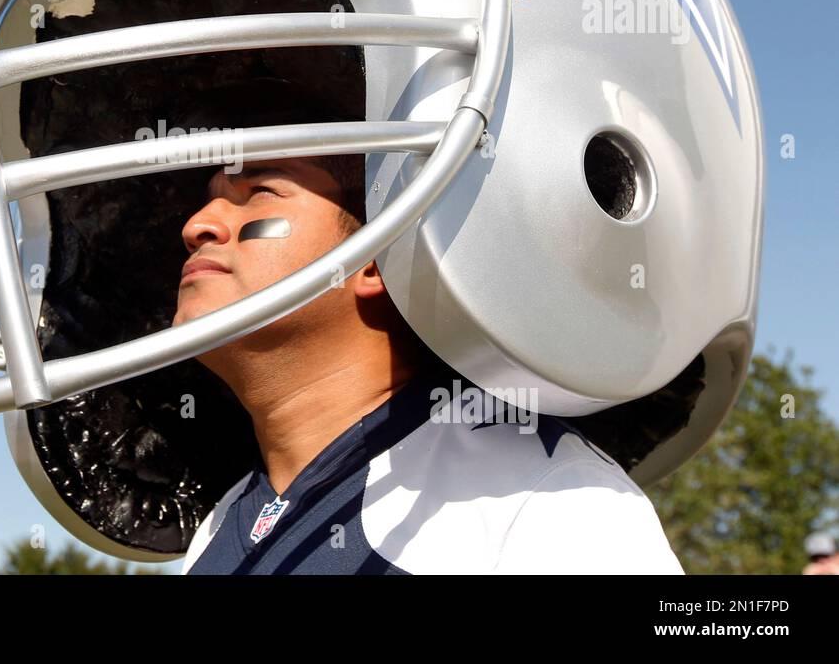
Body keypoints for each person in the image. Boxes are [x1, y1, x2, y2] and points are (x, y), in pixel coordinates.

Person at [174, 144, 685, 574]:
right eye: (210, 201)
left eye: (260, 192)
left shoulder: (549, 497)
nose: (197, 225)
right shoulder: (220, 526)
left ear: (377, 257)